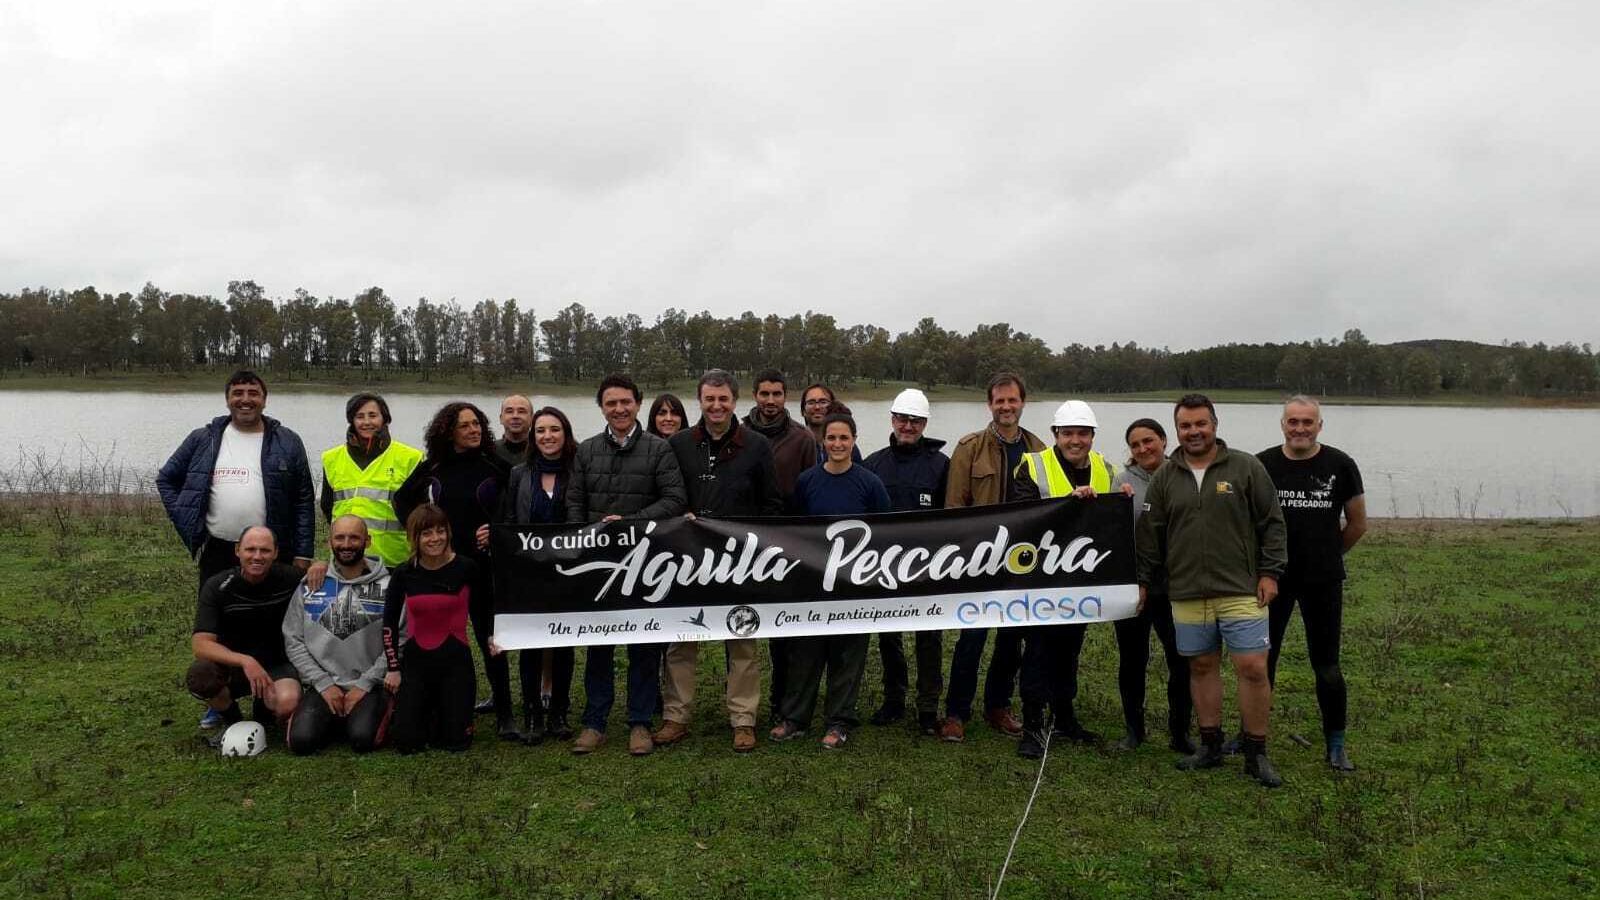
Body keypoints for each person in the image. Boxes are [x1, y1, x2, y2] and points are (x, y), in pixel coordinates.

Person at [1136, 394, 1288, 788]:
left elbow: (1272, 522)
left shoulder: (1245, 467)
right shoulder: (1165, 477)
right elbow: (1150, 535)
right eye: (1185, 426)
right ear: (1177, 431)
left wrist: (1270, 572)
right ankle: (1210, 745)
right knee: (1201, 667)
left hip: (1241, 588)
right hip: (1187, 592)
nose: (1193, 432)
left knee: (1252, 668)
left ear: (1215, 424)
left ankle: (1256, 752)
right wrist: (1142, 580)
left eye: (1200, 423)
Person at [655, 370, 782, 753]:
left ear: (734, 401)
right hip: (687, 560)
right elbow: (668, 495)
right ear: (699, 401)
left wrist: (752, 541)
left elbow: (772, 504)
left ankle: (743, 719)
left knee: (742, 639)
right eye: (709, 399)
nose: (716, 406)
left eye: (723, 399)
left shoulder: (757, 445)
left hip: (739, 562)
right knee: (681, 641)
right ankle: (676, 716)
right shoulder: (678, 444)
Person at [566, 374, 688, 756]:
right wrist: (587, 533)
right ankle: (594, 722)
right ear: (602, 407)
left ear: (638, 404)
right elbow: (574, 502)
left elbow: (673, 499)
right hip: (599, 565)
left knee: (644, 646)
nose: (619, 409)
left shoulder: (658, 450)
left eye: (626, 402)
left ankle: (639, 722)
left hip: (644, 563)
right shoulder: (585, 451)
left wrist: (631, 523)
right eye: (611, 403)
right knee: (598, 645)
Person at [393, 402, 516, 740]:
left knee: (490, 637)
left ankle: (505, 710)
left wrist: (498, 530)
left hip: (483, 566)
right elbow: (401, 500)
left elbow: (518, 503)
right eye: (465, 426)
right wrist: (422, 536)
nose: (474, 430)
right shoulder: (432, 466)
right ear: (448, 431)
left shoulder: (494, 465)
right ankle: (436, 701)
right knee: (442, 637)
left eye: (477, 424)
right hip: (443, 568)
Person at [1258, 395, 1367, 772]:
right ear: (1283, 425)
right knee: (1261, 661)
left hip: (1322, 580)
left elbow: (1357, 524)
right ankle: (1253, 736)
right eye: (1293, 422)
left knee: (1327, 665)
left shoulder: (1340, 464)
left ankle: (1335, 744)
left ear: (1319, 425)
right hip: (1273, 578)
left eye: (1308, 422)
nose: (1300, 428)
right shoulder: (1264, 464)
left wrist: (1329, 554)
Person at [771, 413, 891, 749]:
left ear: (854, 440)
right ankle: (795, 718)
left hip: (855, 584)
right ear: (822, 442)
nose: (837, 444)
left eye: (844, 438)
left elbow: (887, 533)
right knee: (806, 652)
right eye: (831, 439)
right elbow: (796, 530)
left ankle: (839, 721)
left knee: (847, 656)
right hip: (814, 583)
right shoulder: (807, 481)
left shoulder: (870, 483)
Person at [938, 373, 1045, 743]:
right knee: (972, 638)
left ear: (1022, 403)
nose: (1006, 407)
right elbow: (954, 508)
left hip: (1021, 563)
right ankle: (956, 712)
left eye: (1012, 400)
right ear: (990, 404)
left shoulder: (1039, 449)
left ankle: (998, 706)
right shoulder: (969, 447)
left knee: (1011, 640)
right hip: (979, 562)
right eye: (999, 401)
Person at [1007, 400, 1116, 758]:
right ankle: (1033, 725)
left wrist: (1122, 499)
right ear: (1056, 435)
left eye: (1082, 433)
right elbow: (1023, 515)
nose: (1075, 440)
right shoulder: (1033, 466)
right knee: (1038, 651)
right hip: (1040, 579)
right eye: (1067, 433)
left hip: (1081, 580)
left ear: (1092, 436)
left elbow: (1111, 519)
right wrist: (1067, 503)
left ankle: (1065, 716)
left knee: (1070, 649)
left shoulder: (1105, 469)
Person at [157, 370, 315, 589]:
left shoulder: (288, 441)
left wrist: (303, 553)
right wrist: (184, 517)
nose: (246, 399)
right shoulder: (203, 439)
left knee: (271, 618)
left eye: (253, 393)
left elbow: (303, 500)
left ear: (264, 400)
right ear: (227, 400)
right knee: (216, 615)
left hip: (272, 552)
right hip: (217, 551)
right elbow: (166, 478)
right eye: (238, 393)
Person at [479, 406, 581, 743]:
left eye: (555, 430)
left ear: (565, 434)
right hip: (529, 572)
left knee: (564, 642)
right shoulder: (520, 474)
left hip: (569, 571)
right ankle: (533, 715)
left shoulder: (578, 471)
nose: (547, 436)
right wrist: (496, 535)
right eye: (541, 431)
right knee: (531, 643)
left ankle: (559, 714)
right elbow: (510, 519)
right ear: (533, 438)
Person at [861, 388, 949, 735]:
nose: (908, 426)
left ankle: (928, 707)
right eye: (902, 419)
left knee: (929, 638)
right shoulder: (874, 462)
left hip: (929, 567)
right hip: (884, 567)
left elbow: (953, 516)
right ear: (893, 420)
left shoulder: (942, 465)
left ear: (924, 423)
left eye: (915, 421)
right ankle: (893, 700)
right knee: (888, 637)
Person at [1109, 418, 1193, 755]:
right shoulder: (1122, 481)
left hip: (1177, 585)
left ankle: (1180, 733)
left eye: (1149, 441)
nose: (1143, 449)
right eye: (1135, 444)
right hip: (1135, 585)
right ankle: (1134, 730)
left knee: (1181, 658)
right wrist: (1117, 501)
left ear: (1163, 440)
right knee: (1132, 658)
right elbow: (1111, 530)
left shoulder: (1185, 474)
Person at [742, 369, 816, 725]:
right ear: (754, 395)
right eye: (764, 394)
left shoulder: (803, 440)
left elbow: (808, 494)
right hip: (741, 544)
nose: (770, 401)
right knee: (741, 626)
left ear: (785, 397)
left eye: (776, 394)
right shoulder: (737, 433)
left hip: (787, 547)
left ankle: (783, 701)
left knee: (785, 631)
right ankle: (741, 704)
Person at [282, 515, 392, 755]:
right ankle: (327, 717)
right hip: (324, 685)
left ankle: (374, 711)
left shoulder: (388, 587)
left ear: (368, 541)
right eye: (339, 537)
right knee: (302, 743)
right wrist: (322, 683)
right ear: (330, 541)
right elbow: (293, 639)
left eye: (354, 537)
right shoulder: (311, 585)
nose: (346, 544)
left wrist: (365, 684)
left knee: (363, 740)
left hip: (368, 686)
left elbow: (398, 640)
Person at [186, 526, 304, 740]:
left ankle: (265, 713)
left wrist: (320, 566)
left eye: (265, 550)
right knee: (201, 676)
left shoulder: (290, 577)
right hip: (235, 666)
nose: (257, 556)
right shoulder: (217, 586)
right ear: (237, 550)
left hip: (276, 663)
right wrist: (245, 661)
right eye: (250, 549)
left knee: (287, 702)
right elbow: (200, 644)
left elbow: (324, 574)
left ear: (276, 553)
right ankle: (234, 722)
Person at [383, 504, 479, 753]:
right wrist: (393, 668)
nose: (435, 539)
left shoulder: (466, 568)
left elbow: (486, 612)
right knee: (406, 743)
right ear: (415, 537)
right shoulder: (404, 573)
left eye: (440, 531)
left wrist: (493, 638)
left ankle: (445, 712)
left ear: (448, 533)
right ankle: (423, 711)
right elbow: (389, 624)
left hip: (456, 663)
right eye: (426, 533)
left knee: (456, 743)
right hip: (416, 664)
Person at [319, 392, 423, 567]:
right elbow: (327, 506)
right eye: (359, 416)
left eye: (373, 415)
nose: (366, 422)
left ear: (385, 419)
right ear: (352, 421)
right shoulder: (331, 458)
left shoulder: (410, 458)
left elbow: (420, 514)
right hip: (346, 561)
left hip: (394, 560)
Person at [801, 384, 861, 465]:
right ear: (803, 410)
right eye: (811, 402)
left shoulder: (847, 447)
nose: (817, 407)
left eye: (823, 402)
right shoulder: (796, 444)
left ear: (833, 406)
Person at [492, 394, 535, 469]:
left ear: (532, 419)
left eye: (521, 411)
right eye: (509, 411)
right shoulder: (489, 452)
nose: (515, 416)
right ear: (501, 418)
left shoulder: (541, 453)